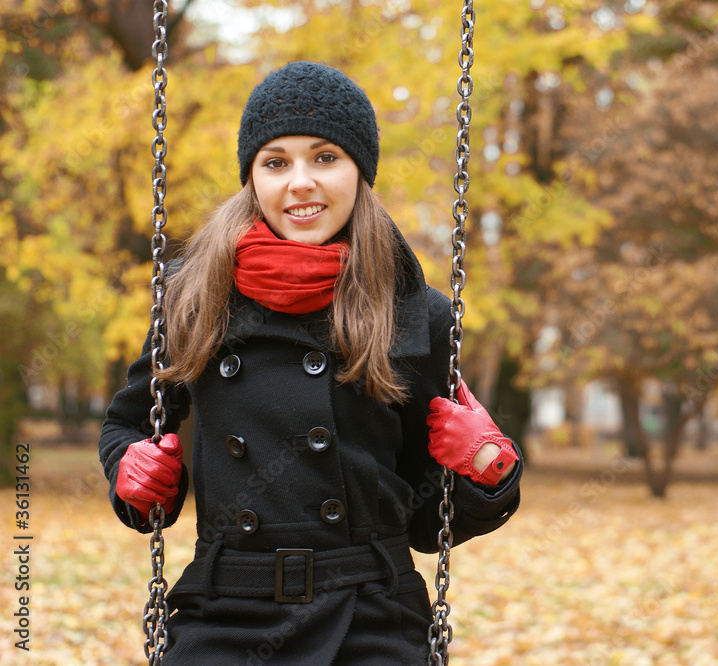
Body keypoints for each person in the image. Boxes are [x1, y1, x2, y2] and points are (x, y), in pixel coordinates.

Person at [98, 61, 521, 664]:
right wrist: (132, 472)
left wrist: (489, 470)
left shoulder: (412, 310)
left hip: (371, 610)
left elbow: (432, 524)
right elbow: (128, 425)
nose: (300, 182)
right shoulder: (193, 298)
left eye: (325, 158)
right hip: (225, 607)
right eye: (276, 162)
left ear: (359, 173)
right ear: (252, 179)